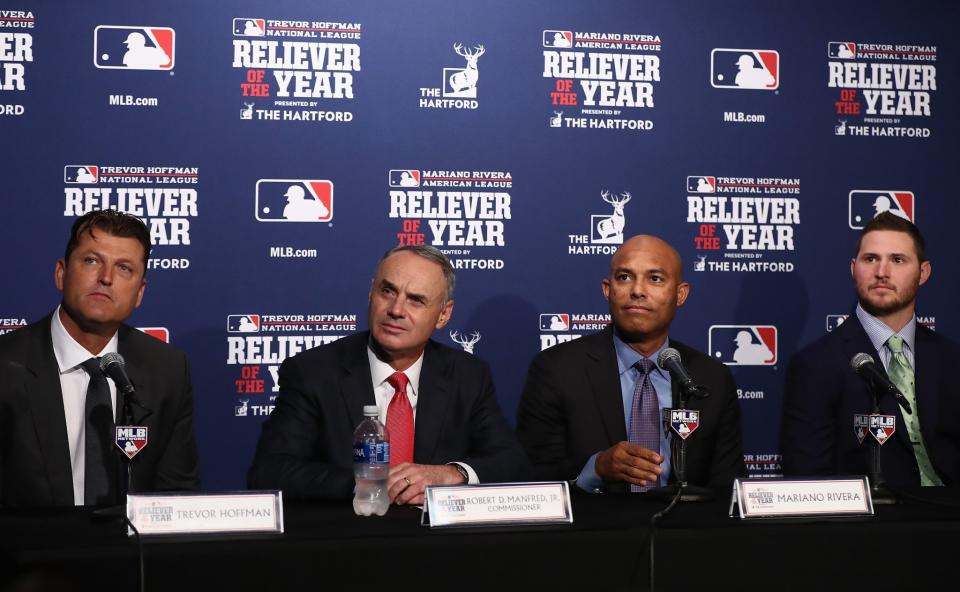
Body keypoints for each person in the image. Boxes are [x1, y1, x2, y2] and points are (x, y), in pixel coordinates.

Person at [247, 245, 526, 505]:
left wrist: (452, 474)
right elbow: (271, 471)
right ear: (371, 294)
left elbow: (511, 461)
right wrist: (372, 485)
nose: (396, 310)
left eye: (416, 300)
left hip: (439, 546)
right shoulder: (313, 372)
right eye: (388, 291)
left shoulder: (467, 375)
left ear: (443, 315)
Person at [0, 210, 200, 507]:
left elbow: (177, 496)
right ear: (61, 273)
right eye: (92, 261)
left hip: (132, 552)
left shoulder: (167, 370)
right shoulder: (7, 365)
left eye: (124, 268)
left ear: (139, 293)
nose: (106, 278)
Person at [516, 235, 745, 493]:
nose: (637, 290)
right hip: (592, 528)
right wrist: (596, 469)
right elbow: (533, 480)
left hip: (686, 530)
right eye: (625, 277)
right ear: (607, 289)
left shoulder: (711, 377)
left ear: (680, 295)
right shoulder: (557, 369)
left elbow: (728, 488)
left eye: (655, 279)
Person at [781, 212, 960, 487]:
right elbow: (808, 481)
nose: (882, 273)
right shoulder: (815, 364)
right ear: (854, 268)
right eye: (871, 259)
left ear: (923, 273)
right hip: (875, 524)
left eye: (897, 260)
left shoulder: (951, 359)